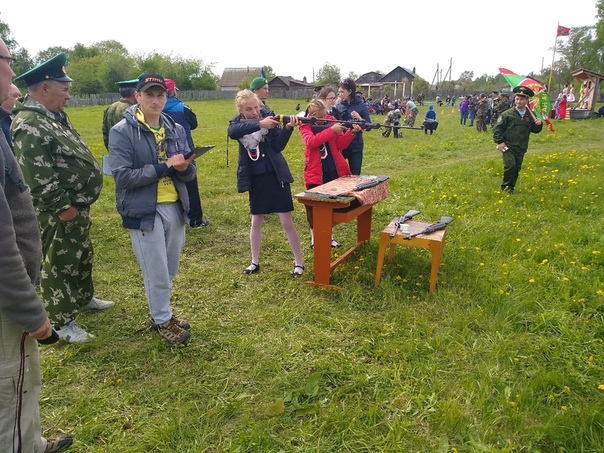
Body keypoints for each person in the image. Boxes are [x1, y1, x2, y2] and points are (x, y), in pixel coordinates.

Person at [0, 38, 73, 453]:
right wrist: (32, 312)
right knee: (11, 384)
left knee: (17, 385)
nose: (14, 74)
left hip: (12, 296)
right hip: (9, 301)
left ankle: (30, 443)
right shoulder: (26, 122)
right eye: (8, 62)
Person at [11, 53, 114, 344]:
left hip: (75, 205)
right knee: (59, 262)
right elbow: (36, 172)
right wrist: (61, 206)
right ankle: (61, 321)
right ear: (45, 88)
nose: (68, 94)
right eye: (64, 88)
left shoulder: (51, 117)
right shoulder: (30, 122)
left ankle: (82, 298)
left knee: (79, 256)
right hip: (58, 210)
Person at [108, 73, 196, 344]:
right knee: (155, 268)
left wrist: (183, 168)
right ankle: (162, 320)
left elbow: (189, 172)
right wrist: (164, 166)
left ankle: (160, 311)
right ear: (138, 96)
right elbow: (122, 176)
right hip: (143, 208)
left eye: (160, 95)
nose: (155, 100)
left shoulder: (176, 129)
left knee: (169, 266)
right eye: (149, 94)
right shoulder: (122, 131)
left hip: (174, 204)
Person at [227, 89, 304, 276]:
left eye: (256, 107)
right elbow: (232, 131)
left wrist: (287, 128)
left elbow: (278, 146)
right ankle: (254, 262)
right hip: (256, 178)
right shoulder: (238, 124)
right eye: (249, 109)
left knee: (286, 222)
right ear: (241, 111)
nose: (254, 112)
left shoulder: (270, 118)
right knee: (256, 221)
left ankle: (299, 262)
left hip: (276, 175)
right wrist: (259, 123)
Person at [298, 99, 359, 248]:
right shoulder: (305, 125)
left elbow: (340, 145)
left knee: (330, 207)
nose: (323, 118)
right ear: (311, 115)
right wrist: (331, 130)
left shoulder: (331, 121)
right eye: (320, 116)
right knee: (314, 208)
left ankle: (329, 237)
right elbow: (311, 142)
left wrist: (351, 133)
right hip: (316, 171)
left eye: (324, 115)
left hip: (332, 167)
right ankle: (315, 239)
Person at [163, 78, 209, 228]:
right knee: (190, 184)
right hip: (184, 150)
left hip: (162, 153)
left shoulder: (152, 108)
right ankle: (195, 219)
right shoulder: (182, 107)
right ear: (173, 91)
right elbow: (194, 124)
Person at [493, 85, 543, 194]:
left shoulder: (530, 115)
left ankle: (511, 187)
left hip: (521, 147)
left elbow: (535, 130)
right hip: (508, 146)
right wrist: (500, 142)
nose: (518, 101)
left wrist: (539, 124)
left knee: (516, 169)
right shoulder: (507, 114)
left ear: (526, 100)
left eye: (521, 99)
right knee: (510, 166)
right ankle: (506, 188)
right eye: (517, 99)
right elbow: (497, 129)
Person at [335, 78, 371, 175]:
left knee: (355, 176)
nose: (340, 94)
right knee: (338, 175)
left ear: (350, 91)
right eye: (339, 92)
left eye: (342, 92)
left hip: (355, 146)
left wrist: (360, 119)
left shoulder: (361, 106)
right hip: (341, 146)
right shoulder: (338, 106)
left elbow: (369, 126)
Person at [102, 78, 138, 150]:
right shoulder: (133, 110)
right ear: (134, 94)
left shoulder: (110, 107)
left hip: (114, 149)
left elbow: (105, 132)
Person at [0, 83, 20, 149]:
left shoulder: (23, 118)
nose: (19, 99)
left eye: (20, 96)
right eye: (15, 96)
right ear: (3, 97)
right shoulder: (1, 122)